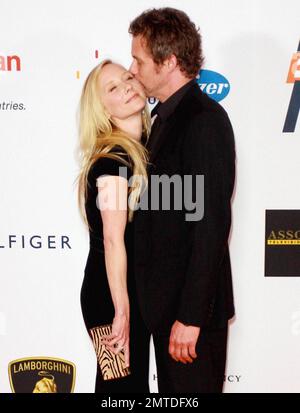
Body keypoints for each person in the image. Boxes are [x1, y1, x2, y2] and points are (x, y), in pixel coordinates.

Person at [129, 7, 236, 393]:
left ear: (169, 61)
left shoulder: (204, 120)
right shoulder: (163, 119)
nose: (133, 69)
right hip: (166, 310)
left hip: (189, 319)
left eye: (139, 60)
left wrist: (190, 318)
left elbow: (211, 227)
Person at [77, 59, 151, 393]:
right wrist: (121, 310)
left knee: (128, 389)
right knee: (119, 392)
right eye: (113, 88)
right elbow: (112, 239)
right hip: (110, 298)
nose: (127, 87)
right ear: (103, 110)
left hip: (133, 292)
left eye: (128, 77)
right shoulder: (113, 161)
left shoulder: (149, 147)